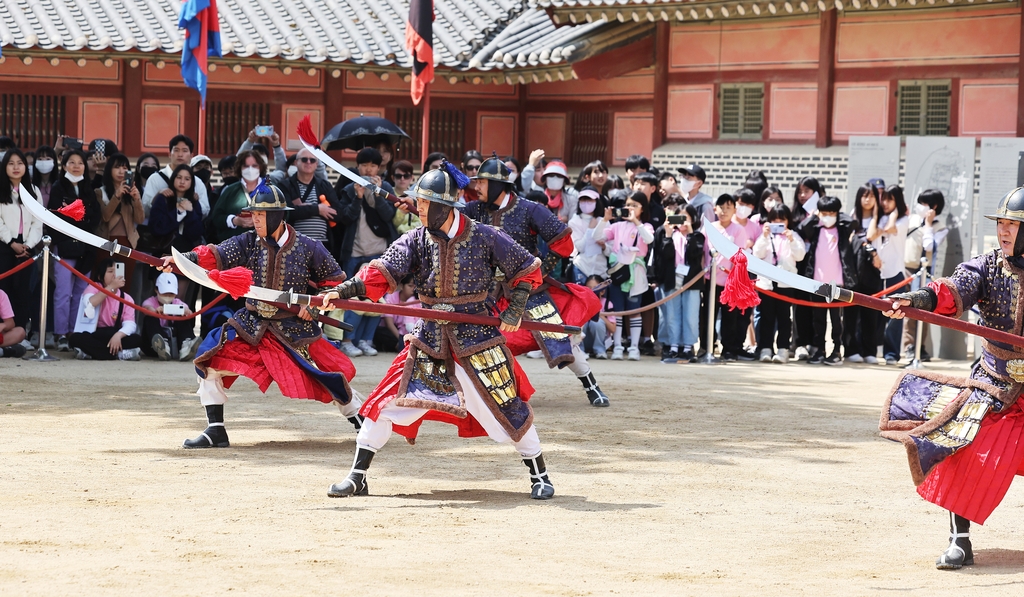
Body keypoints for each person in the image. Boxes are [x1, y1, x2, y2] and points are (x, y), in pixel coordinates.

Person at [323, 164, 556, 500]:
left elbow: (527, 270)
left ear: (444, 207)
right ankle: (357, 476)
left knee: (506, 405)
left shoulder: (486, 235)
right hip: (428, 336)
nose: (417, 209)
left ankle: (540, 476)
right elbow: (382, 273)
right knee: (383, 402)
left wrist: (517, 306)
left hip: (477, 338)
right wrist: (344, 291)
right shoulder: (417, 238)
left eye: (423, 204)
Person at [880, 185, 1024, 570]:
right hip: (995, 385)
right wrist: (918, 300)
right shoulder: (988, 266)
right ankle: (959, 541)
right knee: (960, 443)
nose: (1004, 231)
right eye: (1002, 224)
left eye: (1013, 224)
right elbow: (952, 290)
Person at [159, 181, 362, 448]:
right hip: (252, 324)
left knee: (328, 376)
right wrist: (184, 260)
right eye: (253, 214)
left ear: (277, 216)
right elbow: (216, 254)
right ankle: (215, 430)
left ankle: (364, 423)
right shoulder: (248, 242)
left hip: (293, 329)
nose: (254, 220)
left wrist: (312, 306)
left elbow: (335, 282)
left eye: (260, 215)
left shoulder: (309, 247)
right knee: (208, 357)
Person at [463, 155, 609, 407]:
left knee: (558, 339)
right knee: (484, 340)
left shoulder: (530, 209)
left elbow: (563, 242)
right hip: (491, 294)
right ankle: (500, 392)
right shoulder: (475, 209)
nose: (477, 187)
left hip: (531, 290)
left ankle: (591, 385)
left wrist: (539, 271)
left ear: (498, 184)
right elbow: (450, 222)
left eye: (482, 182)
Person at [335, 147, 397, 357]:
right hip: (354, 252)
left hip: (379, 252)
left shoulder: (386, 186)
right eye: (364, 165)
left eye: (372, 165)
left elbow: (389, 215)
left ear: (379, 167)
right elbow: (345, 218)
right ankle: (347, 340)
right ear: (357, 166)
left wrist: (378, 195)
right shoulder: (348, 187)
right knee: (353, 300)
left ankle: (366, 340)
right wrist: (358, 196)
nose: (368, 169)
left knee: (376, 300)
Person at [49, 149, 101, 352]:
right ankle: (60, 333)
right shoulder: (57, 188)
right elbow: (55, 217)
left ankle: (75, 331)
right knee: (63, 292)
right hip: (64, 246)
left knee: (81, 293)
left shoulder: (89, 188)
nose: (77, 166)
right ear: (64, 166)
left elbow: (94, 218)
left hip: (86, 248)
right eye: (72, 162)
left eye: (80, 162)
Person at [797, 195, 855, 365]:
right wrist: (816, 216)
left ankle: (836, 350)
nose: (827, 216)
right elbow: (802, 228)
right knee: (818, 318)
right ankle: (819, 349)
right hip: (817, 282)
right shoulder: (815, 229)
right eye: (824, 213)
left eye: (832, 213)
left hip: (837, 282)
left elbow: (852, 221)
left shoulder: (842, 229)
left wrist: (837, 214)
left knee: (837, 320)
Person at [652, 203, 705, 363]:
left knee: (690, 315)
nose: (682, 222)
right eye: (679, 218)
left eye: (685, 218)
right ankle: (673, 346)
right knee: (672, 315)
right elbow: (664, 256)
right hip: (671, 280)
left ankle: (688, 347)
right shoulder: (665, 233)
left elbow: (695, 255)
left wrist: (689, 234)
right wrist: (668, 235)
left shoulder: (697, 236)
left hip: (691, 282)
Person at [605, 191, 655, 361]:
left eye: (635, 205)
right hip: (618, 271)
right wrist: (605, 219)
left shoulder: (646, 226)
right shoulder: (617, 226)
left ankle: (634, 348)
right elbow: (598, 237)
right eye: (628, 205)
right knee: (617, 310)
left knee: (635, 310)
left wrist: (635, 221)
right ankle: (617, 346)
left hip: (637, 273)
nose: (630, 208)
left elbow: (648, 240)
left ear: (642, 208)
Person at [752, 204, 805, 363]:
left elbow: (800, 255)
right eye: (774, 220)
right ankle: (765, 349)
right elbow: (757, 253)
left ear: (788, 221)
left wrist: (791, 240)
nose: (778, 224)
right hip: (767, 284)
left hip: (785, 284)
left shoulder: (793, 235)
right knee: (767, 318)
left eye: (781, 220)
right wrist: (764, 236)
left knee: (784, 318)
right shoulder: (766, 237)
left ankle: (783, 349)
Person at [0, 150, 44, 332]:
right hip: (4, 245)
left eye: (20, 163)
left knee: (23, 290)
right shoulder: (1, 189)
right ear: (4, 167)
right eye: (11, 163)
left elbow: (38, 221)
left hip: (27, 246)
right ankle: (4, 331)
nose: (16, 167)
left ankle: (20, 331)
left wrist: (28, 245)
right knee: (4, 288)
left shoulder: (34, 191)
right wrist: (11, 242)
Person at [902, 189, 948, 362]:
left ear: (934, 206)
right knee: (905, 310)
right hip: (906, 270)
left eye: (923, 203)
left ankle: (920, 347)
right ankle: (908, 347)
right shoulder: (912, 219)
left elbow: (930, 246)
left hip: (924, 273)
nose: (919, 206)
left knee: (922, 309)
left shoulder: (940, 227)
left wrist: (928, 225)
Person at [68, 258, 144, 361]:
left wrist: (118, 336)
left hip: (114, 334)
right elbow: (90, 302)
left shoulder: (127, 298)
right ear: (100, 276)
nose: (114, 275)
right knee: (75, 338)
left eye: (117, 271)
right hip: (95, 333)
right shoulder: (93, 287)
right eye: (110, 271)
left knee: (136, 339)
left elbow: (130, 324)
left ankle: (91, 354)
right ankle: (118, 354)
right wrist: (111, 287)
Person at [707, 193, 752, 361]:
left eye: (728, 207)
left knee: (729, 316)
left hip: (729, 282)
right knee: (708, 315)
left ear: (734, 210)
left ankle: (729, 349)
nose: (724, 211)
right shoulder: (709, 227)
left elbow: (739, 255)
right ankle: (708, 347)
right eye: (721, 207)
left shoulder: (738, 230)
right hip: (709, 280)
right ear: (715, 208)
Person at [844, 184, 883, 364]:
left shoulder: (881, 219)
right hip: (853, 270)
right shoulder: (852, 216)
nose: (867, 200)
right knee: (851, 313)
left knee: (870, 313)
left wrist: (875, 215)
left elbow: (871, 235)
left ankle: (870, 351)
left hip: (873, 270)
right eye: (864, 196)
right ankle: (851, 349)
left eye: (871, 196)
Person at [279, 148, 341, 251]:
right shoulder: (285, 185)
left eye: (312, 160)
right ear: (296, 162)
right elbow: (286, 213)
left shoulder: (324, 185)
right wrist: (318, 209)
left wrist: (303, 209)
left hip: (322, 244)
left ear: (316, 164)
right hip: (294, 244)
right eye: (304, 159)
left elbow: (338, 213)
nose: (308, 162)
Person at [96, 153, 144, 285]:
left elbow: (139, 220)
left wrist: (137, 199)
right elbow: (105, 217)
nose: (121, 171)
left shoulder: (131, 193)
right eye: (117, 167)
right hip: (106, 242)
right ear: (109, 169)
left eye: (125, 168)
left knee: (124, 283)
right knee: (105, 282)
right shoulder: (101, 192)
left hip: (128, 243)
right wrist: (116, 196)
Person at [141, 135, 210, 221]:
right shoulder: (155, 179)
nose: (180, 155)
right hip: (162, 232)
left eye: (185, 151)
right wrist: (157, 198)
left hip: (187, 232)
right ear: (169, 154)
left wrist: (194, 203)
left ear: (191, 155)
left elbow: (205, 212)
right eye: (176, 150)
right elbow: (144, 211)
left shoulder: (197, 182)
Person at [877, 184, 910, 365]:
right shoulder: (881, 218)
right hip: (879, 271)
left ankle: (891, 353)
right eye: (884, 199)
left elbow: (890, 228)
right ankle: (875, 349)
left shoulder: (902, 220)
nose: (885, 203)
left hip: (895, 272)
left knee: (895, 314)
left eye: (890, 199)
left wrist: (895, 213)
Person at [140, 272, 199, 361]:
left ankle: (186, 344)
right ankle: (161, 345)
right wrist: (156, 311)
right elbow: (147, 308)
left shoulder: (178, 302)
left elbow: (188, 311)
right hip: (151, 346)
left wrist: (186, 311)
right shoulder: (150, 301)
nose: (167, 296)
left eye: (171, 294)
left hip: (174, 342)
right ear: (156, 290)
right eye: (164, 293)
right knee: (150, 318)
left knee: (182, 317)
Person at [208, 151, 265, 244]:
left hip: (265, 246)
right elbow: (216, 217)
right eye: (246, 166)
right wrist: (234, 220)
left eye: (254, 166)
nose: (250, 169)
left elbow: (284, 216)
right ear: (239, 168)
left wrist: (263, 219)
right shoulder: (230, 190)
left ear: (261, 167)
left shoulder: (271, 189)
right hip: (234, 247)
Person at [149, 164, 204, 254]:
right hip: (164, 252)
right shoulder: (163, 198)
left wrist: (190, 212)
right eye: (179, 177)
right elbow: (156, 227)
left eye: (187, 179)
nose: (182, 182)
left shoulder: (194, 201)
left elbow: (197, 233)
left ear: (192, 182)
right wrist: (178, 212)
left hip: (187, 254)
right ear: (173, 178)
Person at [568, 187, 609, 285]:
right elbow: (580, 247)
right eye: (583, 199)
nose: (586, 202)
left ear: (596, 201)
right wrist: (590, 230)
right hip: (581, 267)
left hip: (600, 270)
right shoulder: (574, 221)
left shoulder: (604, 221)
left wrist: (604, 247)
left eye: (589, 200)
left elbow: (611, 251)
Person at [373, 274, 419, 353]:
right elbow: (389, 323)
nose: (413, 289)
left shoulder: (416, 301)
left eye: (415, 287)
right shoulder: (391, 297)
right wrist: (400, 339)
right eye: (410, 286)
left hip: (406, 332)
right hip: (392, 330)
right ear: (401, 286)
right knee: (380, 333)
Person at [390, 160, 421, 234]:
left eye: (406, 176)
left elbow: (420, 223)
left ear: (412, 178)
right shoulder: (388, 195)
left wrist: (402, 229)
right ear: (392, 177)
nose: (402, 179)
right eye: (398, 176)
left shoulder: (417, 197)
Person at [0, 288, 28, 358]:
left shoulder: (1, 294)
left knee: (20, 332)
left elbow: (10, 323)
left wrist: (3, 325)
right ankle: (5, 351)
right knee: (19, 349)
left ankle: (3, 351)